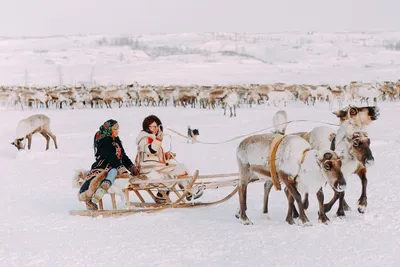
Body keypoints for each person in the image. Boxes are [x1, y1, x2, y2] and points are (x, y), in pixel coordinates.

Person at [135, 115, 203, 203]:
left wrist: (165, 155)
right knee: (179, 168)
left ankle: (162, 195)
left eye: (158, 126)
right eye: (153, 127)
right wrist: (158, 139)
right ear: (147, 127)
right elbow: (151, 150)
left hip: (153, 169)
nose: (156, 129)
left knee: (173, 164)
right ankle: (189, 191)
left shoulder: (152, 138)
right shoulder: (145, 139)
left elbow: (152, 157)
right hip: (148, 172)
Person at [78, 119, 138, 210]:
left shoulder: (116, 140)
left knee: (116, 171)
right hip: (103, 165)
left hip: (115, 165)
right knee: (113, 171)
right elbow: (111, 156)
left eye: (118, 129)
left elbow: (123, 156)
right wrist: (120, 167)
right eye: (115, 129)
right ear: (109, 130)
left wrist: (132, 167)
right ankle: (102, 188)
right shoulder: (104, 141)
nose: (117, 131)